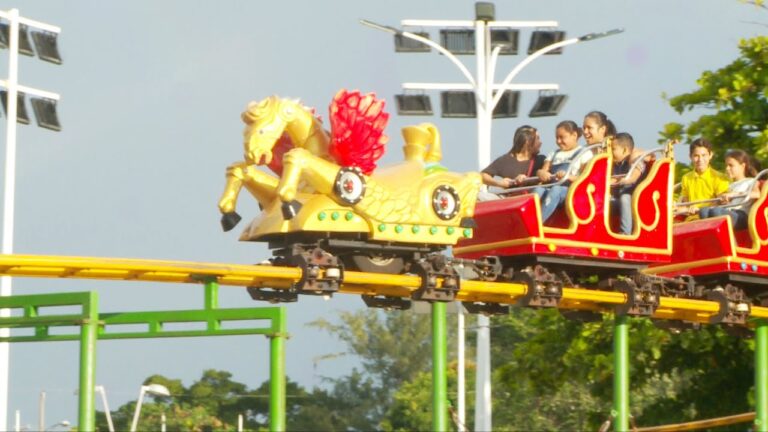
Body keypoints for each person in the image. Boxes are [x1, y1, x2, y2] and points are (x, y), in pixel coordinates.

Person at [533, 120, 594, 221]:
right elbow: (544, 170)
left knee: (556, 190)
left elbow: (585, 178)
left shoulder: (584, 153)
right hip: (552, 188)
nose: (558, 141)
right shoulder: (554, 153)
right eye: (557, 138)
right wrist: (541, 173)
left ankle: (538, 222)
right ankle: (527, 219)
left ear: (574, 135)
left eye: (562, 137)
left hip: (572, 191)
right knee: (538, 190)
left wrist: (567, 176)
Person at [697, 149, 760, 229]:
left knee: (716, 212)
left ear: (742, 166)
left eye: (731, 165)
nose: (727, 168)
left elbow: (757, 194)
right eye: (726, 165)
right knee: (703, 211)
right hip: (728, 211)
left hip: (741, 214)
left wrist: (734, 195)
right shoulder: (728, 185)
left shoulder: (751, 181)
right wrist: (721, 201)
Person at [479, 125, 545, 200]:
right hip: (507, 200)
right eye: (537, 139)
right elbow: (483, 175)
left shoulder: (541, 160)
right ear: (528, 141)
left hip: (528, 200)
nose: (541, 142)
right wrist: (499, 183)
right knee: (477, 197)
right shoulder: (505, 160)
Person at [677, 138, 730, 218]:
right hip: (690, 219)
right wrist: (685, 209)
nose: (700, 159)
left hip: (710, 218)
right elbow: (685, 202)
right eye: (696, 156)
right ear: (690, 157)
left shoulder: (720, 177)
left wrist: (699, 210)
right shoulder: (686, 178)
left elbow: (720, 201)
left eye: (703, 155)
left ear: (710, 155)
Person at [610, 132, 645, 234]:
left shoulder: (636, 160)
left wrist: (619, 181)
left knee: (625, 198)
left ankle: (625, 233)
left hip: (635, 199)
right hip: (617, 197)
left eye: (613, 149)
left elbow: (633, 177)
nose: (610, 152)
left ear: (625, 150)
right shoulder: (615, 164)